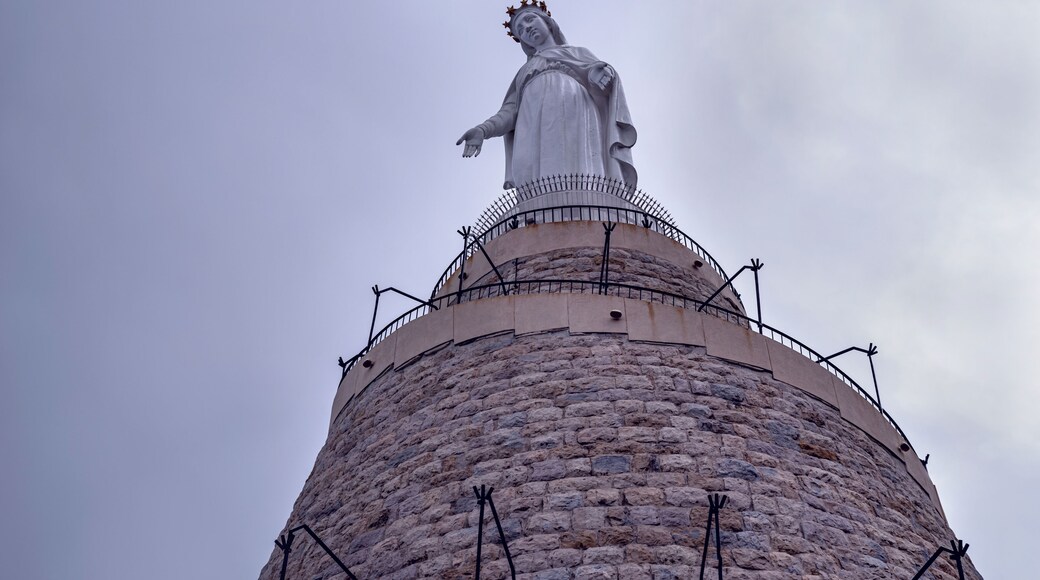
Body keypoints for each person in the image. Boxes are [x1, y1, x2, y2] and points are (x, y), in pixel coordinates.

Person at [457, 2, 637, 190]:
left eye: (529, 20)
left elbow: (598, 78)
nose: (526, 28)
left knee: (579, 174)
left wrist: (600, 74)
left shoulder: (577, 53)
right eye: (521, 30)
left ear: (548, 22)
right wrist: (483, 130)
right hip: (532, 127)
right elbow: (509, 112)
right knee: (537, 181)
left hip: (575, 117)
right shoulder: (524, 72)